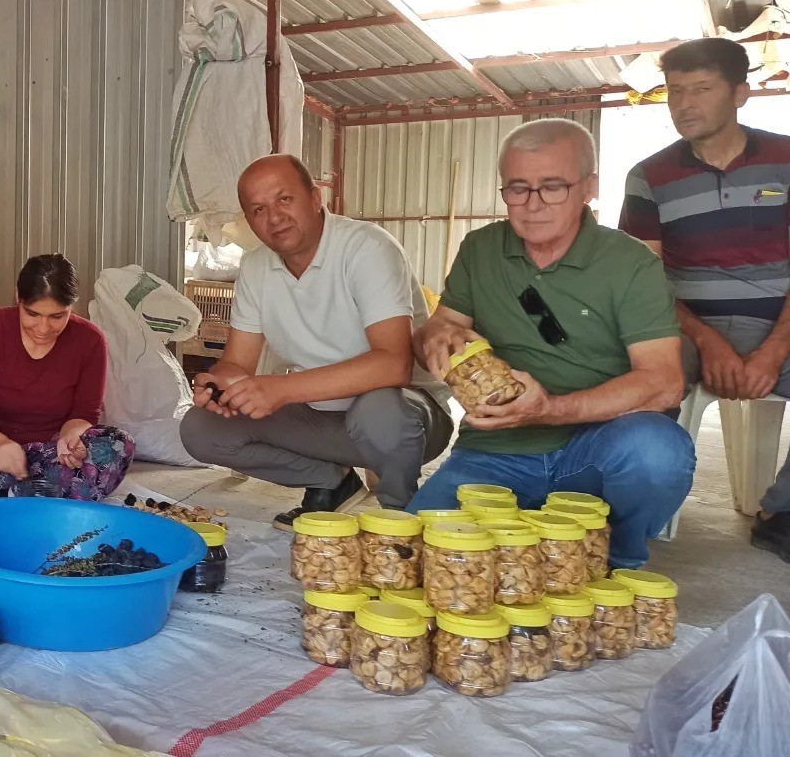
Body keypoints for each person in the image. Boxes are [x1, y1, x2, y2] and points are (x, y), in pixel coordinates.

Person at [409, 118, 695, 570]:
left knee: (657, 452)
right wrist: (435, 337)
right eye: (518, 188)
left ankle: (615, 559)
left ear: (589, 187)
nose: (533, 204)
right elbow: (440, 325)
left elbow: (663, 383)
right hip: (494, 455)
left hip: (594, 448)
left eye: (553, 187)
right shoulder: (481, 249)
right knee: (419, 562)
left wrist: (550, 410)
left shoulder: (629, 263)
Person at [179, 155, 455, 528]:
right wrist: (218, 384)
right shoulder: (256, 268)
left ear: (314, 198)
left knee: (378, 410)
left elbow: (394, 364)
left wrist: (280, 389)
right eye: (258, 209)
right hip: (321, 418)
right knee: (200, 430)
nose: (274, 217)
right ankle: (331, 483)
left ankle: (399, 515)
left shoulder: (366, 248)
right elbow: (238, 364)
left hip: (409, 419)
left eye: (285, 200)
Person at [619, 38, 790, 561]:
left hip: (780, 325)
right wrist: (706, 340)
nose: (684, 104)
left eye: (701, 89)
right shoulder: (650, 177)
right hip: (686, 326)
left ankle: (780, 511)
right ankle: (635, 511)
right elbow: (640, 281)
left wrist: (773, 351)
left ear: (740, 93)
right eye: (674, 91)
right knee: (638, 381)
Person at [0, 254, 133, 503]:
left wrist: (70, 439)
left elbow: (85, 413)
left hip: (51, 452)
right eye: (32, 314)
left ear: (71, 307)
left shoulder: (90, 340)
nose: (43, 328)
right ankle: (41, 494)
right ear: (18, 299)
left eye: (57, 316)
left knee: (118, 446)